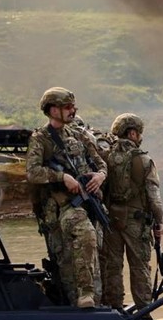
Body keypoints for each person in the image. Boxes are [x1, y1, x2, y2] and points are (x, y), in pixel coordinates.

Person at [25, 87, 107, 308]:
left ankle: (93, 307)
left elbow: (101, 163)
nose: (73, 110)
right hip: (63, 207)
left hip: (88, 203)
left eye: (73, 106)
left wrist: (99, 176)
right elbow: (32, 173)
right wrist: (62, 177)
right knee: (82, 241)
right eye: (68, 107)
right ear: (53, 110)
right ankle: (84, 296)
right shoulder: (41, 139)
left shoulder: (79, 135)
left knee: (93, 260)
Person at [100, 113, 163, 317]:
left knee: (113, 265)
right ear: (133, 133)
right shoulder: (144, 160)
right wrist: (159, 223)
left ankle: (115, 308)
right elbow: (154, 198)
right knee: (139, 266)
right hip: (136, 222)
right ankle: (144, 312)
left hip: (111, 220)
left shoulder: (105, 158)